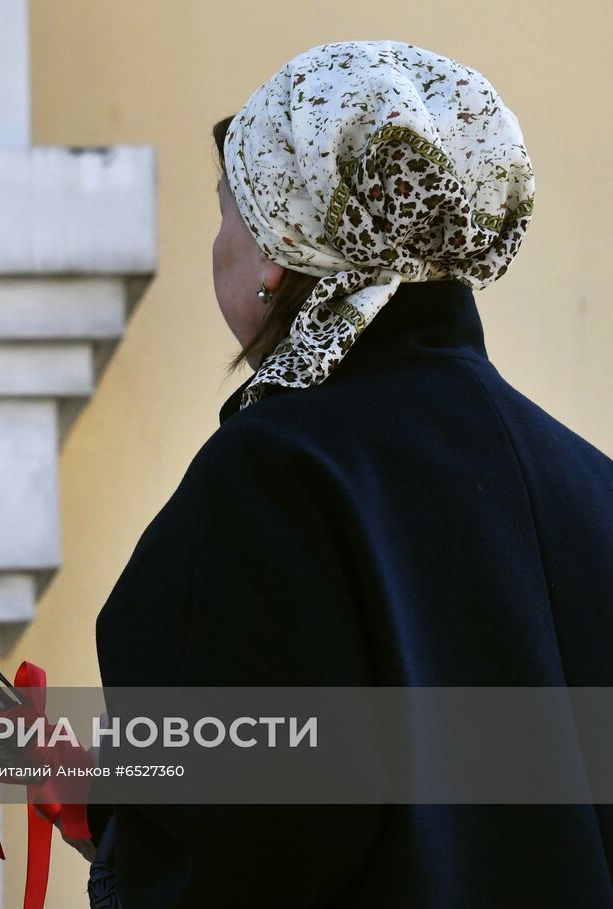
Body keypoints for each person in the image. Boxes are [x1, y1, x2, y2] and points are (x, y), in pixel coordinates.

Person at [65, 40, 613, 907]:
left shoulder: (277, 477)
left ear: (280, 246)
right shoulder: (593, 485)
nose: (219, 248)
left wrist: (107, 807)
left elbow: (249, 838)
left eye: (227, 214)